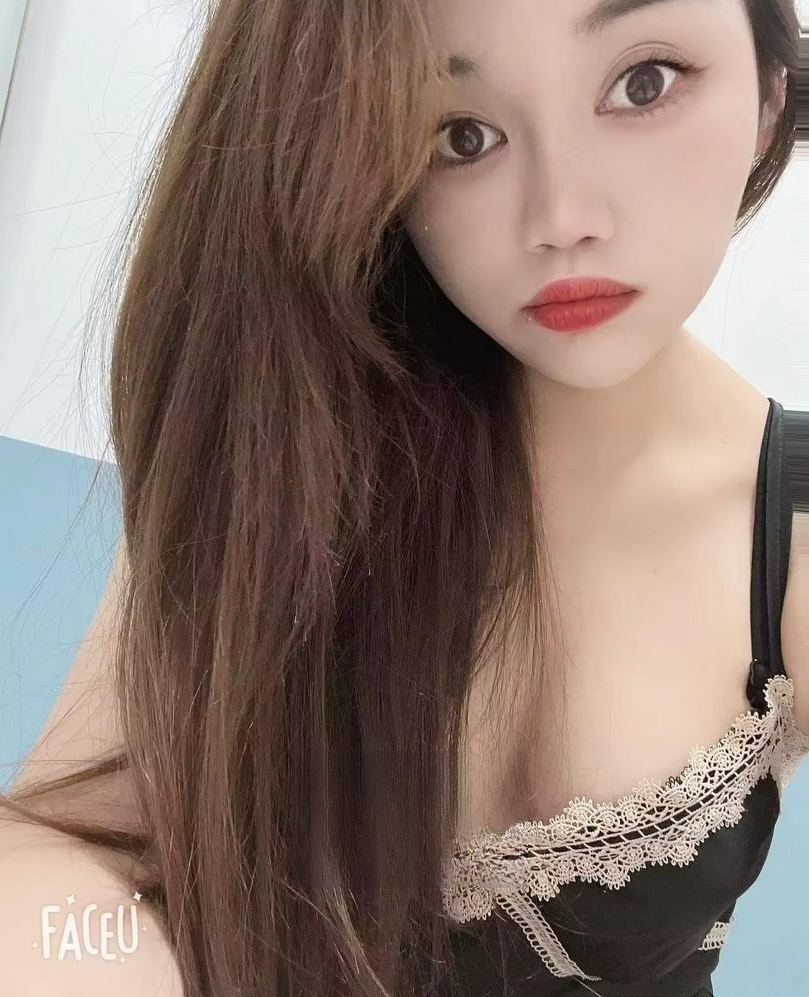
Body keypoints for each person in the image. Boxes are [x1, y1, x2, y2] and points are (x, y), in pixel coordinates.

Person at [0, 0, 806, 994]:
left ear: (769, 95)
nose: (561, 217)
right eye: (460, 135)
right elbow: (74, 831)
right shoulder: (289, 444)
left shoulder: (786, 524)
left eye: (643, 84)